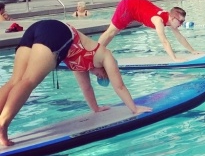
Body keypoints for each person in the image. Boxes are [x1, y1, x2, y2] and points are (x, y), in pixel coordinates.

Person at [0, 19, 152, 147]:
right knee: (28, 81)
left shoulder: (81, 63)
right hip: (58, 34)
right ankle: (3, 124)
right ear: (104, 71)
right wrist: (134, 108)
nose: (98, 76)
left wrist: (96, 108)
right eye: (101, 77)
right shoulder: (105, 55)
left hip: (40, 27)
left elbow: (86, 88)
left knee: (15, 80)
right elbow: (118, 85)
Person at [98, 0, 200, 60]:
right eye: (181, 21)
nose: (181, 24)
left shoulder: (169, 19)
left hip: (134, 6)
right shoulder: (159, 21)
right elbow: (164, 41)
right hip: (128, 7)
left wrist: (192, 51)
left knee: (112, 32)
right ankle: (95, 53)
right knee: (111, 32)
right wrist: (174, 58)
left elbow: (180, 37)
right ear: (173, 18)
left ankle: (97, 52)